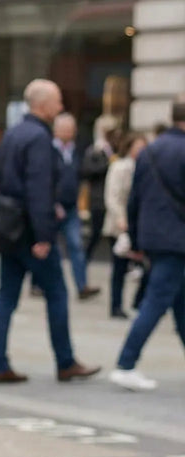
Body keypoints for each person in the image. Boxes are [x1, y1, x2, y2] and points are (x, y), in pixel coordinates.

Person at [0, 79, 101, 384]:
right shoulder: (38, 137)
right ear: (41, 104)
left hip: (9, 228)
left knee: (6, 297)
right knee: (58, 293)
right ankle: (65, 362)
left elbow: (2, 179)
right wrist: (44, 236)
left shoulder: (12, 134)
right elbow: (38, 189)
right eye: (57, 101)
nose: (61, 107)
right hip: (30, 229)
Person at [109, 98, 185, 391]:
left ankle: (126, 363)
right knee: (155, 301)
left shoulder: (150, 150)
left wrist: (138, 240)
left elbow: (135, 199)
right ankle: (126, 363)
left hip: (155, 237)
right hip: (177, 239)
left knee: (180, 302)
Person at [52, 112, 100, 300]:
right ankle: (37, 283)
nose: (68, 133)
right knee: (47, 246)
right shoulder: (48, 149)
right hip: (51, 207)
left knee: (76, 245)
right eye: (64, 129)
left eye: (71, 129)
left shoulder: (78, 150)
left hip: (71, 207)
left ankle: (82, 285)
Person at [102, 131, 147, 319]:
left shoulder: (146, 168)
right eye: (138, 147)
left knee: (147, 266)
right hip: (119, 225)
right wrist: (121, 219)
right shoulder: (120, 167)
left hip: (140, 225)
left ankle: (139, 302)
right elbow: (112, 197)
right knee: (119, 267)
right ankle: (116, 305)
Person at [80, 114, 118, 264]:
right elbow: (87, 171)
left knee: (113, 237)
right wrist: (108, 163)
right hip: (99, 199)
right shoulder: (95, 150)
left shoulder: (113, 148)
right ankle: (83, 262)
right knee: (95, 234)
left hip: (111, 197)